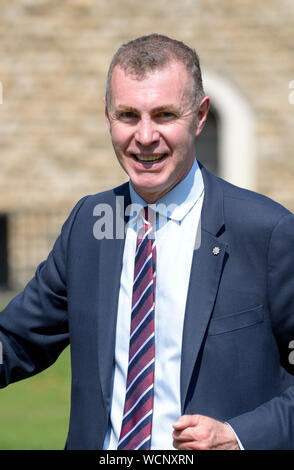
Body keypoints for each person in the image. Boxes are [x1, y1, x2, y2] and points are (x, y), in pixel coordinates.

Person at [1, 33, 294, 450]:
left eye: (163, 115)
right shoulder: (88, 223)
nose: (144, 136)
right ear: (108, 117)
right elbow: (15, 341)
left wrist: (240, 436)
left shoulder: (267, 232)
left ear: (199, 115)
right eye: (128, 115)